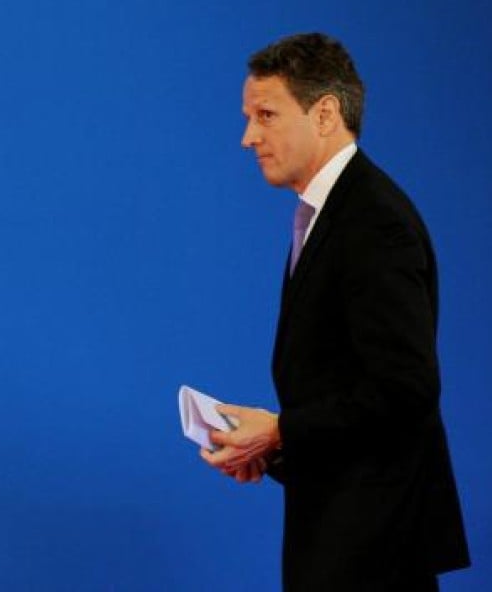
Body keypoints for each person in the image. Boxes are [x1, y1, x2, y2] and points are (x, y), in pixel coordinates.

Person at [200, 33, 469, 590]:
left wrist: (279, 431)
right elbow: (345, 386)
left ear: (325, 114)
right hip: (344, 534)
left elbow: (405, 388)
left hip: (373, 548)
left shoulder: (374, 222)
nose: (249, 137)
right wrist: (272, 448)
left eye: (266, 115)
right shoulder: (332, 212)